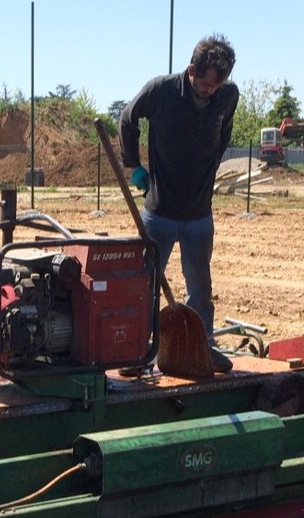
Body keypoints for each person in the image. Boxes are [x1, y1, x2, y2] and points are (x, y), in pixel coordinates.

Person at [120, 34, 240, 373]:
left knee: (200, 286)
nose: (209, 91)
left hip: (199, 215)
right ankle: (138, 353)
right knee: (145, 283)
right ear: (191, 70)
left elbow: (225, 130)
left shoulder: (227, 96)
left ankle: (203, 347)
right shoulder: (162, 91)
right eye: (204, 85)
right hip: (160, 213)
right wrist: (135, 166)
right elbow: (128, 118)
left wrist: (210, 166)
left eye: (215, 87)